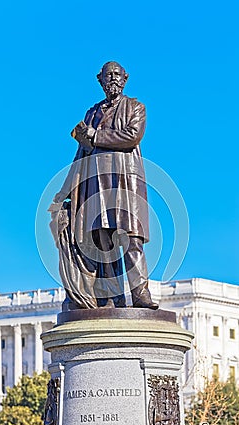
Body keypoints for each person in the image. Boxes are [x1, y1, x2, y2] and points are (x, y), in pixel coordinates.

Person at [49, 61, 158, 310]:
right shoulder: (91, 113)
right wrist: (65, 192)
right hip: (95, 184)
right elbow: (80, 154)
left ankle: (140, 294)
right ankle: (111, 297)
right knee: (103, 243)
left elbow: (132, 135)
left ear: (125, 78)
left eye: (117, 75)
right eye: (108, 75)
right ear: (100, 80)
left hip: (124, 181)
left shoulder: (135, 107)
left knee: (131, 240)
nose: (113, 79)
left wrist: (95, 136)